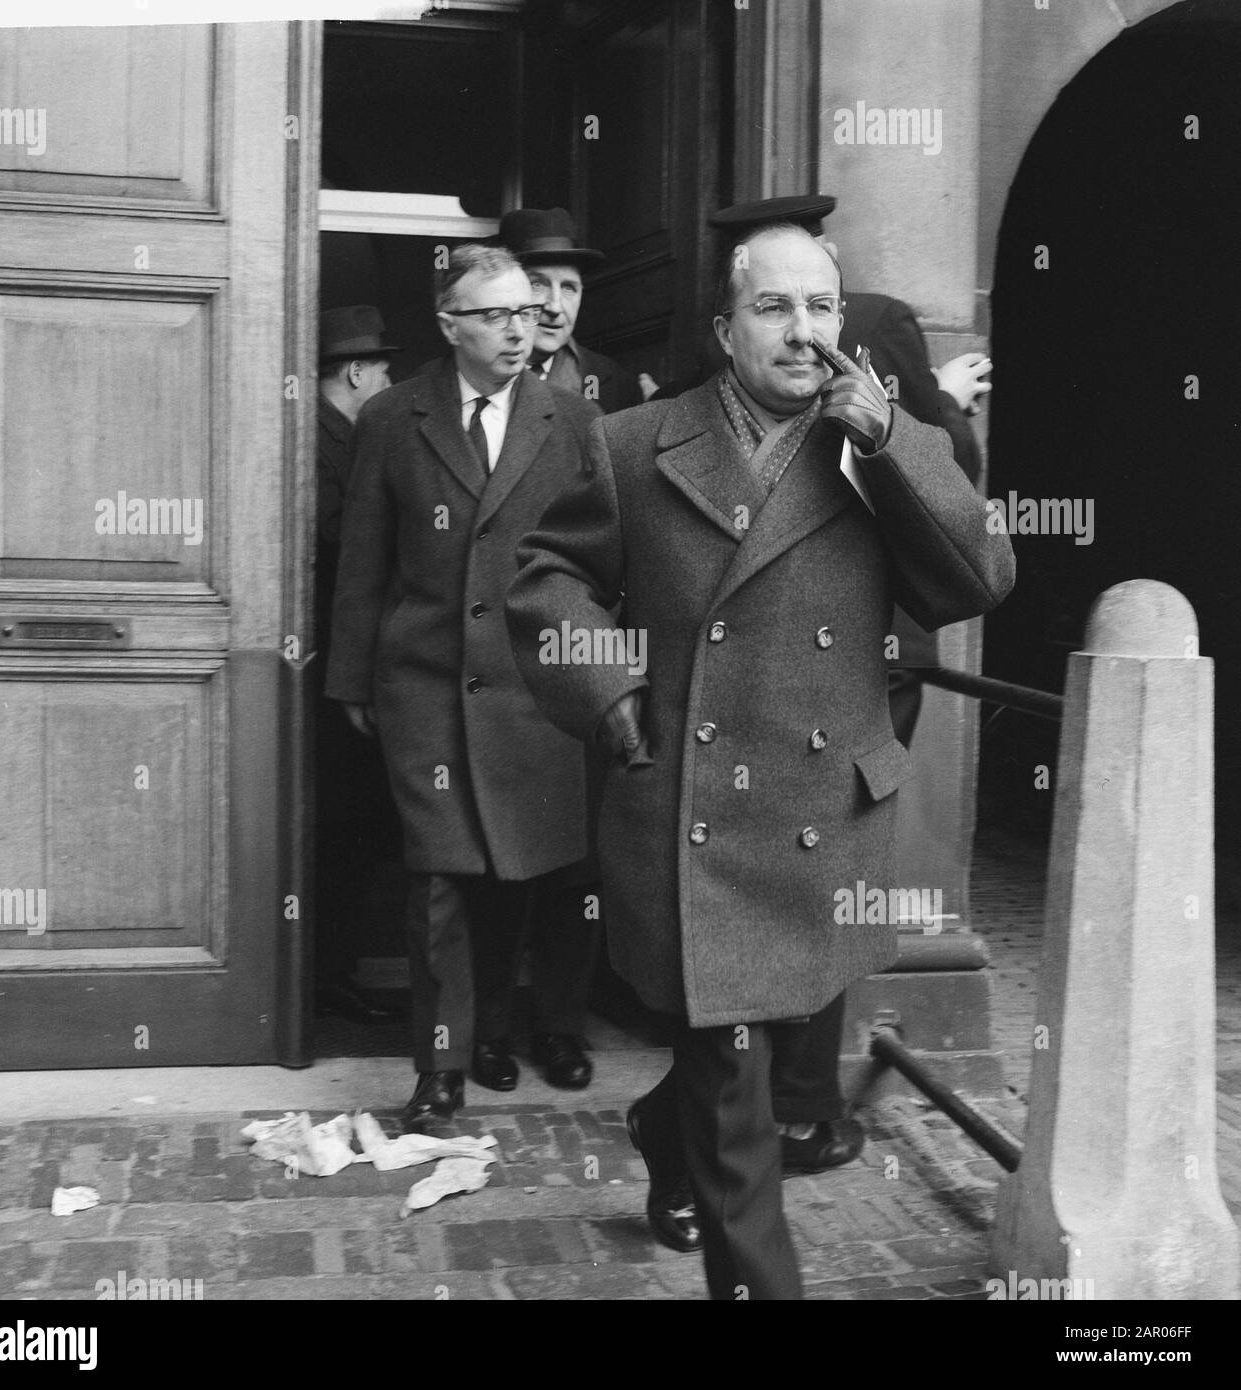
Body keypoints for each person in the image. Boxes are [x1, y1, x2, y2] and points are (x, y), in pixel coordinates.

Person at [506, 224, 1015, 1298]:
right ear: (723, 328)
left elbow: (975, 582)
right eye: (773, 309)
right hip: (694, 813)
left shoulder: (873, 441)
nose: (801, 332)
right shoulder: (636, 442)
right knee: (742, 1110)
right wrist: (609, 691)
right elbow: (548, 581)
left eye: (820, 309)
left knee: (751, 1054)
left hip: (821, 808)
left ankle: (660, 1122)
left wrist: (893, 443)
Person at [326, 246, 602, 1129]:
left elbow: (599, 565)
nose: (520, 328)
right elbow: (364, 560)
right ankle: (441, 1070)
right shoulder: (392, 418)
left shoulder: (571, 420)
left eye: (526, 312)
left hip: (537, 692)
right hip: (427, 691)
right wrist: (351, 678)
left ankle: (525, 1031)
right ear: (450, 325)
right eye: (496, 315)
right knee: (440, 881)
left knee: (529, 873)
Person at [315, 306, 402, 1026]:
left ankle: (331, 971)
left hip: (340, 662)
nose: (390, 381)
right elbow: (340, 548)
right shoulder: (326, 444)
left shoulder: (336, 436)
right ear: (354, 373)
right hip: (330, 667)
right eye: (383, 370)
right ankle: (326, 975)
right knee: (344, 827)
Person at [498, 207, 643, 415]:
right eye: (537, 285)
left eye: (568, 288)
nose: (555, 307)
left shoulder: (615, 383)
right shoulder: (470, 373)